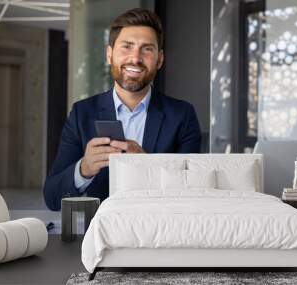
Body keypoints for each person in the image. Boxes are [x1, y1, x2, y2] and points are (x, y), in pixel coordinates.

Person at [43, 8, 201, 211]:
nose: (135, 58)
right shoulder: (82, 113)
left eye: (147, 49)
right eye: (127, 47)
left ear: (159, 59)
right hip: (100, 237)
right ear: (109, 54)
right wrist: (84, 169)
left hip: (161, 233)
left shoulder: (182, 116)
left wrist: (146, 166)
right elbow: (52, 198)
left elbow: (192, 193)